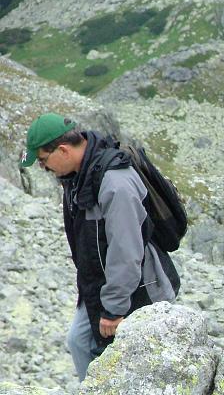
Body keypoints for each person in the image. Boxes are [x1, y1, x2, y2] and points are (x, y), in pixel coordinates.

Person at [21, 113, 180, 381]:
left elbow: (126, 251)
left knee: (139, 368)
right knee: (79, 341)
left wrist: (114, 309)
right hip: (100, 286)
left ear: (63, 150)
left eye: (43, 161)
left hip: (140, 289)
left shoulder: (115, 183)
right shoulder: (77, 177)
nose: (44, 168)